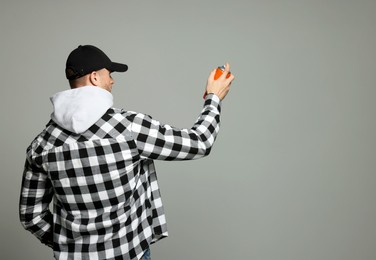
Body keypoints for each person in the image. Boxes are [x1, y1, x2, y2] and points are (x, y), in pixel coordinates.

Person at [19, 45, 234, 260]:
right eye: (109, 75)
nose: (112, 81)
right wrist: (213, 98)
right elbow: (199, 142)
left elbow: (31, 216)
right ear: (95, 77)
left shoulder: (41, 146)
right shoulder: (129, 129)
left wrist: (68, 245)